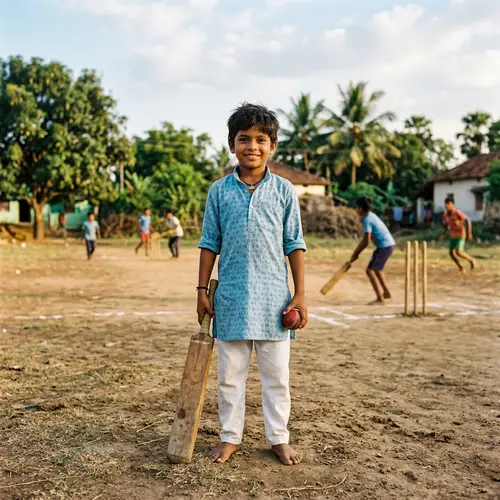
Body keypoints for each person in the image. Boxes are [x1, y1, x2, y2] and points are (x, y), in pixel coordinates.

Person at [197, 103, 307, 466]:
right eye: (244, 139)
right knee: (230, 377)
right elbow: (209, 242)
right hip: (230, 299)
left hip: (276, 302)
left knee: (277, 378)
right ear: (232, 143)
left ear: (272, 146)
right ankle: (230, 437)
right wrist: (201, 290)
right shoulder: (219, 191)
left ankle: (278, 437)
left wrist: (300, 295)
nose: (252, 146)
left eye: (261, 139)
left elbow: (294, 243)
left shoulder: (284, 191)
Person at [350, 196, 396, 304]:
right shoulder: (371, 216)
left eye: (357, 207)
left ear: (361, 208)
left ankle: (380, 298)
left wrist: (356, 253)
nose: (356, 209)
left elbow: (366, 240)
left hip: (385, 245)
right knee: (377, 270)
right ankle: (386, 292)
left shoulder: (367, 220)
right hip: (386, 245)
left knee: (370, 270)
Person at [441, 197, 475, 272]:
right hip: (453, 234)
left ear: (453, 205)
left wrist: (469, 233)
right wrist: (443, 234)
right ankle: (460, 267)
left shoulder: (457, 212)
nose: (447, 206)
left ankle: (471, 260)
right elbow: (446, 225)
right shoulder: (445, 215)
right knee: (451, 253)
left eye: (448, 204)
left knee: (458, 252)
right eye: (446, 204)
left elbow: (468, 220)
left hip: (461, 234)